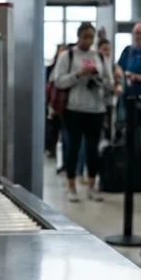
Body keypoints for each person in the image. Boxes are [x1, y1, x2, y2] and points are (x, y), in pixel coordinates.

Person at [52, 23, 114, 202]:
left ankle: (92, 186)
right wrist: (78, 75)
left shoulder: (100, 57)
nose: (88, 41)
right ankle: (71, 186)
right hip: (74, 109)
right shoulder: (68, 56)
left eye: (91, 37)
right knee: (73, 147)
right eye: (85, 37)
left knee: (92, 149)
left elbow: (109, 82)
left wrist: (98, 78)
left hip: (96, 109)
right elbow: (58, 81)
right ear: (78, 37)